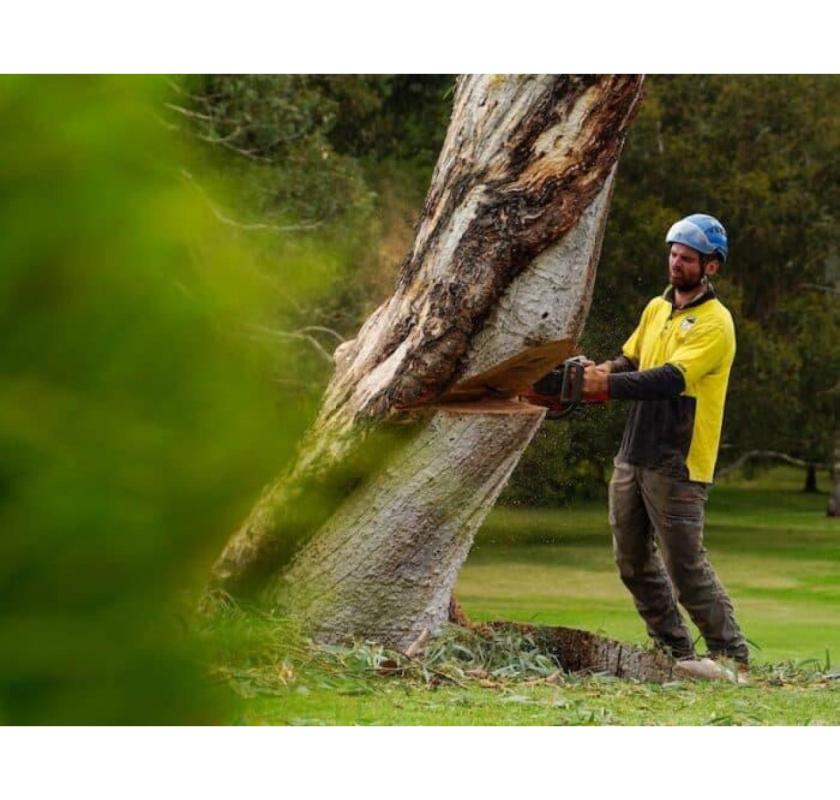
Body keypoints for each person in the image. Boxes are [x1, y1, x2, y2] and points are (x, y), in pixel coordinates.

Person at [582, 213, 749, 680]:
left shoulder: (716, 323)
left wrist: (605, 388)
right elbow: (631, 359)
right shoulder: (657, 309)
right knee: (631, 560)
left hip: (678, 459)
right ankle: (677, 654)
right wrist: (595, 374)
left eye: (687, 258)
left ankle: (732, 657)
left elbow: (670, 379)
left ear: (710, 267)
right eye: (673, 253)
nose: (676, 263)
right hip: (634, 451)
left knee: (685, 565)